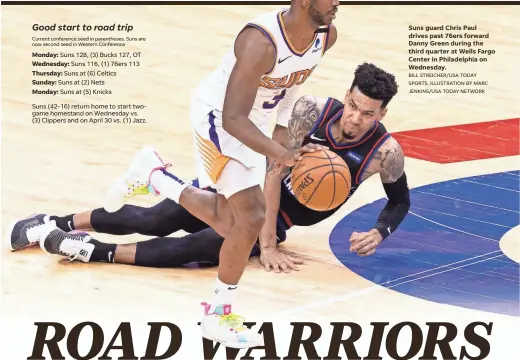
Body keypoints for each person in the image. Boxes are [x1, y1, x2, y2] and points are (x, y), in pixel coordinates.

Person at [9, 62, 410, 320]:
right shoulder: (311, 112)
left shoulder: (384, 153)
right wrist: (266, 245)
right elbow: (272, 173)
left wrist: (380, 231)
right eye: (354, 105)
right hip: (246, 188)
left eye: (369, 112)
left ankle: (92, 250)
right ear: (346, 95)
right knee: (160, 218)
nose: (357, 118)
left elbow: (399, 201)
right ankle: (55, 221)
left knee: (200, 248)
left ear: (383, 114)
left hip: (283, 218)